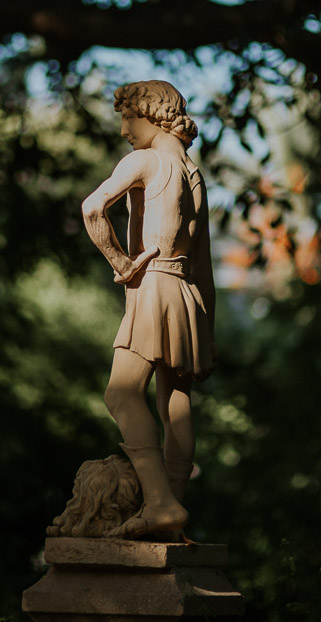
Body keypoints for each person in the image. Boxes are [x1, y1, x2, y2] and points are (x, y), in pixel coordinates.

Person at [81, 79, 216, 540]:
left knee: (120, 394)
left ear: (152, 113)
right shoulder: (194, 175)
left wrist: (121, 263)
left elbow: (92, 208)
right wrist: (209, 332)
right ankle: (173, 508)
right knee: (175, 401)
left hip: (154, 286)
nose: (123, 129)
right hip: (186, 296)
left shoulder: (145, 160)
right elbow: (205, 266)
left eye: (127, 116)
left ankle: (160, 505)